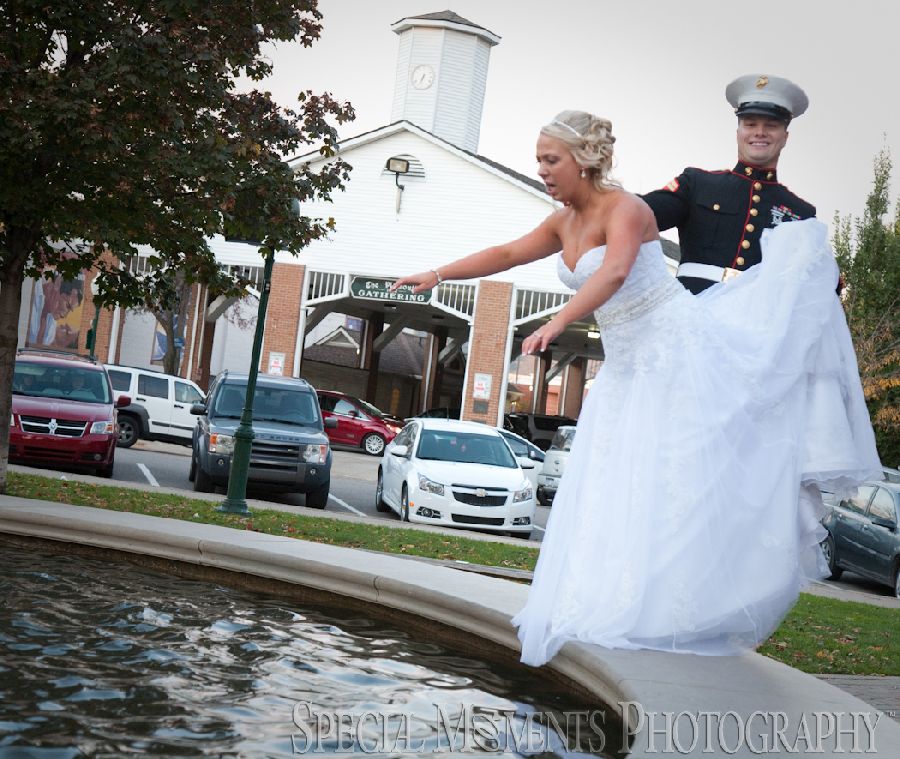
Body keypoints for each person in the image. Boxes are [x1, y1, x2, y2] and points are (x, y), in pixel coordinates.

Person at [392, 110, 881, 666]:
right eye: (540, 161)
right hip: (628, 369)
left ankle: (693, 603)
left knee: (690, 479)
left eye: (550, 160)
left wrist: (558, 321)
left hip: (679, 354)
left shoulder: (627, 210)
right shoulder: (565, 220)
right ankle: (619, 599)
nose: (543, 170)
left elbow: (615, 272)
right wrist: (438, 274)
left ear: (583, 159)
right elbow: (507, 253)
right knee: (618, 484)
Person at [642, 74, 816, 294]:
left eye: (771, 125)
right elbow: (638, 215)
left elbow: (815, 286)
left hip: (756, 323)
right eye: (750, 124)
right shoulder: (696, 184)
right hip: (692, 315)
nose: (759, 132)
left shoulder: (802, 215)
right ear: (738, 133)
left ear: (785, 137)